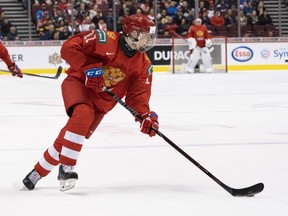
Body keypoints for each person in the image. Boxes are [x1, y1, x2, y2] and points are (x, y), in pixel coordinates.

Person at [22, 14, 159, 191]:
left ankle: (36, 173)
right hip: (79, 84)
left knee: (70, 137)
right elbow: (69, 48)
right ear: (132, 32)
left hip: (102, 103)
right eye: (146, 35)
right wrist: (87, 66)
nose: (149, 40)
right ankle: (67, 168)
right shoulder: (104, 39)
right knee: (83, 114)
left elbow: (137, 96)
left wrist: (145, 117)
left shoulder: (143, 65)